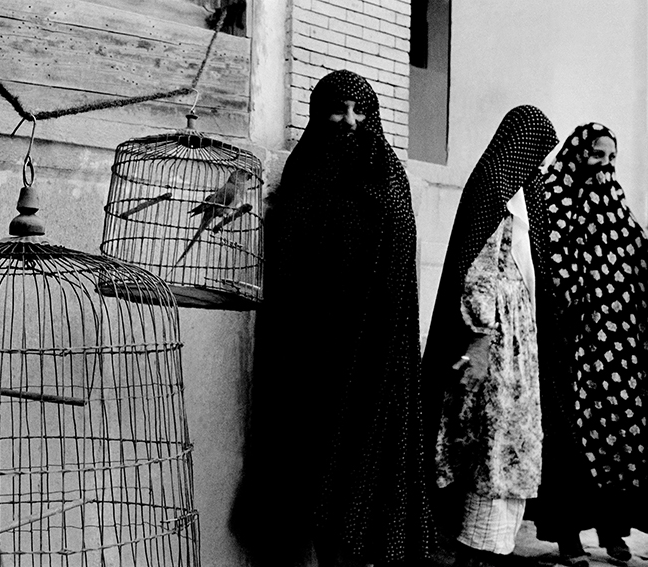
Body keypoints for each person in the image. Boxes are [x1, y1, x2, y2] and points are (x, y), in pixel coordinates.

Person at [231, 69, 436, 566]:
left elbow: (398, 268)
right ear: (318, 112)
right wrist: (239, 182)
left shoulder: (388, 176)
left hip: (372, 348)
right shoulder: (305, 170)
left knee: (359, 468)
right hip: (309, 346)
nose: (349, 120)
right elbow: (282, 228)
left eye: (359, 110)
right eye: (338, 109)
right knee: (309, 463)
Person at [422, 105, 559, 566]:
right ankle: (476, 549)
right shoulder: (493, 189)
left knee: (510, 435)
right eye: (536, 152)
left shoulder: (523, 192)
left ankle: (493, 548)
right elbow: (478, 271)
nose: (540, 164)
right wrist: (480, 337)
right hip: (495, 339)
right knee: (488, 437)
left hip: (519, 337)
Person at [532, 123, 648, 565]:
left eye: (611, 158)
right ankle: (568, 539)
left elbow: (634, 247)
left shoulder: (611, 198)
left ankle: (613, 533)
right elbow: (547, 260)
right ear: (579, 152)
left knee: (616, 434)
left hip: (613, 346)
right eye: (597, 155)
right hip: (568, 339)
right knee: (571, 440)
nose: (604, 166)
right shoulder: (552, 193)